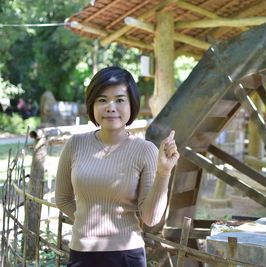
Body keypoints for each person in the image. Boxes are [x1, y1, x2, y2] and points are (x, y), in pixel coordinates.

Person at [55, 66, 179, 267]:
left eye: (120, 100)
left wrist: (164, 172)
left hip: (127, 256)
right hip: (82, 253)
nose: (111, 107)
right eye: (102, 100)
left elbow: (150, 218)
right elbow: (62, 198)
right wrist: (88, 224)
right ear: (92, 105)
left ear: (132, 105)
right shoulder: (75, 144)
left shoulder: (145, 150)